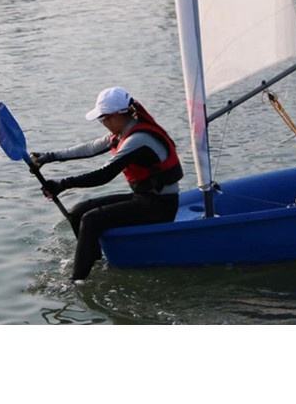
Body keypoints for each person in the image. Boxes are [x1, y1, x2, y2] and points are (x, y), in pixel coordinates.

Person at [30, 87, 182, 282]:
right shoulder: (123, 132)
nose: (103, 124)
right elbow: (90, 148)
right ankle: (93, 260)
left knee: (91, 220)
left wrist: (63, 184)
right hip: (145, 198)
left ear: (116, 115)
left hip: (160, 207)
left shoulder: (138, 139)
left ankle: (77, 281)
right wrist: (48, 157)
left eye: (103, 119)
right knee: (77, 212)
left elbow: (104, 175)